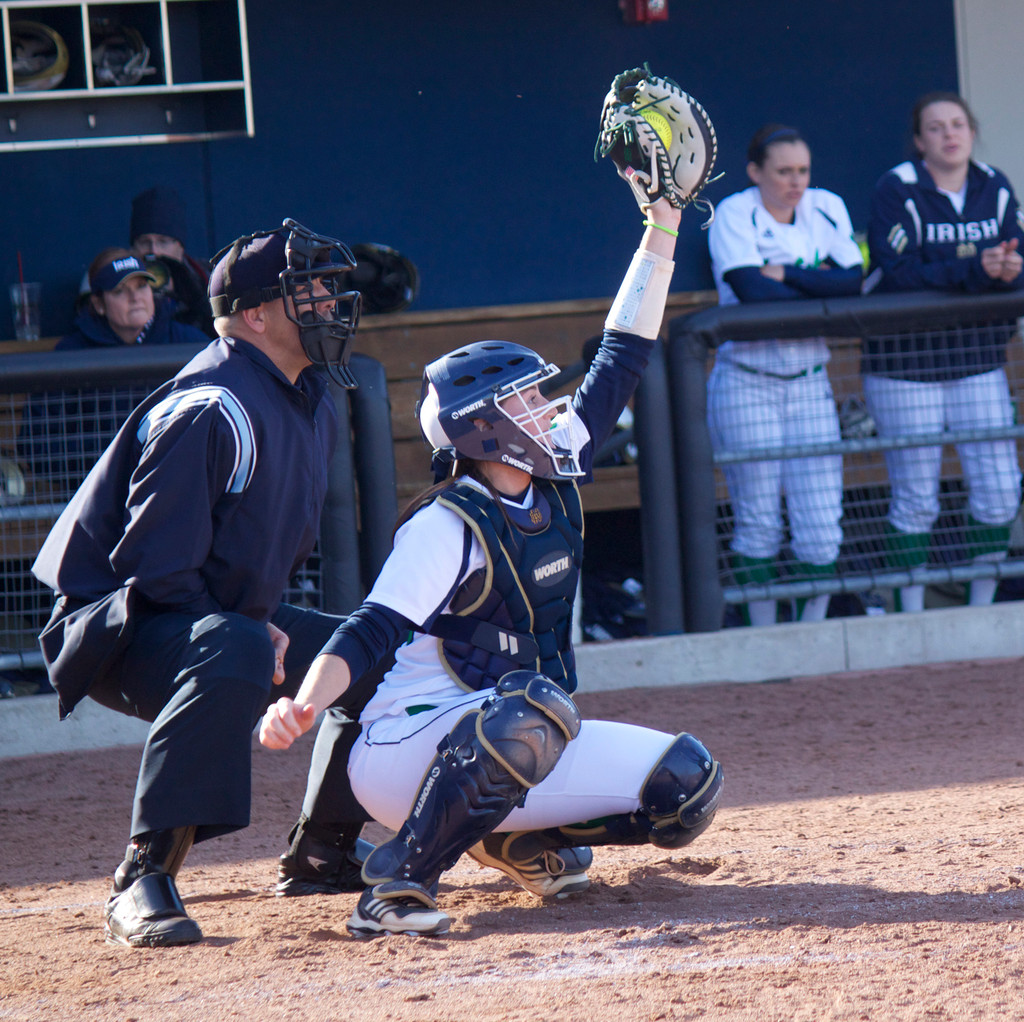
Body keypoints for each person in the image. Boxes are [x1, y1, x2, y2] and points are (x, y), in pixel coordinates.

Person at [259, 188, 723, 939]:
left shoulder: (556, 467)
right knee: (535, 711)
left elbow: (623, 352)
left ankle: (507, 836)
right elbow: (367, 633)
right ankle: (397, 883)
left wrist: (662, 224)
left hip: (506, 730)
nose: (549, 407)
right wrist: (305, 705)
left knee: (686, 784)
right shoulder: (447, 523)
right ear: (485, 432)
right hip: (402, 750)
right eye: (529, 401)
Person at [30, 218, 372, 948]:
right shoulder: (210, 404)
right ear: (254, 315)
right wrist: (253, 627)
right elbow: (153, 574)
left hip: (205, 611)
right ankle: (142, 878)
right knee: (238, 646)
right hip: (115, 625)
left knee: (367, 650)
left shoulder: (308, 397)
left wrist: (259, 620)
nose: (325, 303)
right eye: (304, 291)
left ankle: (323, 850)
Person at [864, 92, 1024, 612]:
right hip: (906, 369)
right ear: (919, 141)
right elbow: (898, 272)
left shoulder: (994, 184)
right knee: (916, 499)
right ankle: (908, 614)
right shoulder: (898, 188)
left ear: (972, 131)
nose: (949, 134)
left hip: (978, 361)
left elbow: (1011, 252)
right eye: (936, 128)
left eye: (958, 124)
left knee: (999, 489)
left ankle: (982, 610)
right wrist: (977, 270)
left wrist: (1004, 268)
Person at [706, 124, 864, 626]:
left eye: (802, 171)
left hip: (809, 379)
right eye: (783, 172)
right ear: (756, 172)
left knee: (820, 526)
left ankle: (810, 632)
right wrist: (816, 286)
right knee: (758, 523)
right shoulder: (736, 210)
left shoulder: (826, 205)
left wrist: (788, 273)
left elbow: (853, 281)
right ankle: (764, 636)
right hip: (746, 378)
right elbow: (751, 291)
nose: (795, 182)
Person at [17, 248, 210, 487]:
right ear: (98, 304)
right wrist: (113, 458)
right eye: (119, 290)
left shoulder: (190, 342)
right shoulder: (70, 354)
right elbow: (36, 444)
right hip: (102, 497)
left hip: (180, 488)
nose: (135, 297)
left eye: (142, 286)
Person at [129, 184, 215, 336]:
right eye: (144, 242)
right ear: (133, 249)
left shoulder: (209, 277)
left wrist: (195, 301)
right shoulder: (118, 278)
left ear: (180, 247)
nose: (153, 251)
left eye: (163, 242)